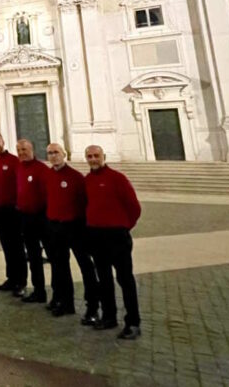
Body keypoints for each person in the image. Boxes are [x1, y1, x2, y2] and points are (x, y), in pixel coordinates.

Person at [84, 145, 142, 340]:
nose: (93, 159)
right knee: (104, 279)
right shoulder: (87, 180)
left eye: (96, 156)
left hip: (117, 236)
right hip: (96, 236)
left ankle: (133, 322)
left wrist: (123, 226)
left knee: (125, 279)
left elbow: (134, 207)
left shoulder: (118, 178)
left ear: (104, 157)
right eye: (90, 156)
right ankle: (109, 317)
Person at [44, 143, 99, 322]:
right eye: (50, 153)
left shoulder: (76, 177)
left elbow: (86, 202)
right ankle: (66, 302)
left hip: (75, 227)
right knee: (60, 266)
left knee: (86, 266)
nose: (53, 156)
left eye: (56, 152)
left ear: (64, 154)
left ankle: (92, 306)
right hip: (55, 227)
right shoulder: (48, 175)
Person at [0, 132, 25, 294]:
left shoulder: (14, 161)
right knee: (6, 245)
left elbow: (20, 184)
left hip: (12, 209)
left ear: (3, 142)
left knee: (17, 245)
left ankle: (21, 281)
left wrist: (18, 205)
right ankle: (11, 278)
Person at [16, 139, 50, 303]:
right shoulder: (19, 168)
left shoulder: (42, 169)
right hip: (25, 218)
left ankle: (60, 295)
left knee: (53, 256)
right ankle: (39, 291)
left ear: (32, 150)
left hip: (42, 218)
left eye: (24, 149)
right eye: (19, 150)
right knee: (33, 256)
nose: (21, 153)